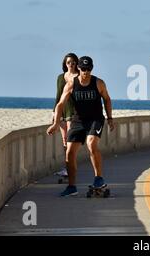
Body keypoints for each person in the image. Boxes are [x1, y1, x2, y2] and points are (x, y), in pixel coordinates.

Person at [47, 56, 115, 196]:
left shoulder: (98, 83)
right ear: (78, 68)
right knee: (70, 152)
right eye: (83, 69)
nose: (85, 72)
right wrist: (55, 123)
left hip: (95, 119)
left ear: (92, 68)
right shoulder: (72, 84)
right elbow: (60, 104)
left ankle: (98, 178)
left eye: (88, 69)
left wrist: (110, 118)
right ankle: (72, 187)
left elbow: (107, 99)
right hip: (78, 120)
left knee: (91, 144)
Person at [53, 53, 79, 178]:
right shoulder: (60, 77)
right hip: (62, 111)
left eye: (73, 62)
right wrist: (54, 113)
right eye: (69, 62)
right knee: (64, 140)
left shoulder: (79, 77)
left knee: (70, 140)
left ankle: (71, 166)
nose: (71, 64)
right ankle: (66, 167)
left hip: (73, 112)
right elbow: (58, 96)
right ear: (65, 64)